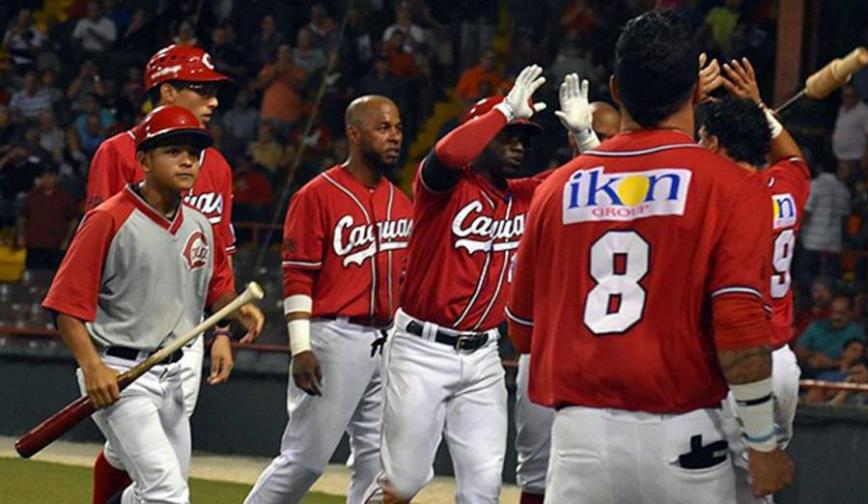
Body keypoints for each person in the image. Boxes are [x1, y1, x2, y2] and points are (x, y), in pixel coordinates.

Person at [506, 11, 794, 503]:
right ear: (696, 92)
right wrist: (763, 442)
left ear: (615, 90)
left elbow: (522, 332)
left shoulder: (555, 189)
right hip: (683, 443)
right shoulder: (731, 187)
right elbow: (740, 324)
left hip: (578, 447)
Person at [363, 65, 590, 504]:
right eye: (509, 136)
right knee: (403, 483)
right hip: (420, 350)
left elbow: (589, 177)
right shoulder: (443, 187)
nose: (519, 146)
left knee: (484, 490)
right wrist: (502, 110)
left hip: (484, 355)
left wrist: (584, 137)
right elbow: (447, 155)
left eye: (524, 138)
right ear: (481, 134)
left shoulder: (526, 195)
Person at [41, 105, 264, 504]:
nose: (187, 161)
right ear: (142, 159)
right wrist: (92, 366)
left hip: (175, 375)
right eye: (173, 151)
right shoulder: (107, 219)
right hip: (122, 373)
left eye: (194, 154)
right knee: (167, 493)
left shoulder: (200, 225)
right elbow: (65, 306)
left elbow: (216, 290)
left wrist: (235, 308)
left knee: (157, 493)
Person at [84, 44, 244, 504]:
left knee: (142, 462)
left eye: (215, 91)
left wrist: (222, 330)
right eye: (202, 89)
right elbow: (102, 249)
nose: (213, 101)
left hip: (189, 332)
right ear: (167, 90)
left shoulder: (218, 165)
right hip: (129, 333)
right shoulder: (117, 153)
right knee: (152, 472)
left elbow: (219, 256)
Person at [244, 96, 412, 504]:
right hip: (333, 336)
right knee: (305, 460)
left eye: (398, 128)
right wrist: (301, 346)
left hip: (386, 339)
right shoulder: (317, 195)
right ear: (354, 134)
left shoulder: (401, 202)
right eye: (383, 128)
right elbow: (298, 273)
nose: (394, 137)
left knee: (377, 464)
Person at [697, 56, 811, 504]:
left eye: (706, 138)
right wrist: (759, 106)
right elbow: (794, 156)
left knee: (707, 489)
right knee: (757, 493)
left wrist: (685, 104)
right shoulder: (787, 185)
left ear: (718, 143)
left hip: (732, 363)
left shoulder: (717, 195)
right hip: (781, 363)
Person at [514, 95, 620, 504]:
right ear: (574, 137)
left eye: (612, 136)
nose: (606, 143)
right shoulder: (548, 189)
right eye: (597, 135)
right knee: (536, 478)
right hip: (546, 346)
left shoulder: (637, 192)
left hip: (605, 353)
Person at [796, 295, 866, 375]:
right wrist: (813, 355)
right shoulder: (816, 326)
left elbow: (857, 358)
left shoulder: (856, 332)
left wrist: (832, 363)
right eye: (833, 312)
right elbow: (799, 349)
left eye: (841, 313)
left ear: (850, 313)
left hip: (840, 374)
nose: (836, 317)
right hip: (812, 371)